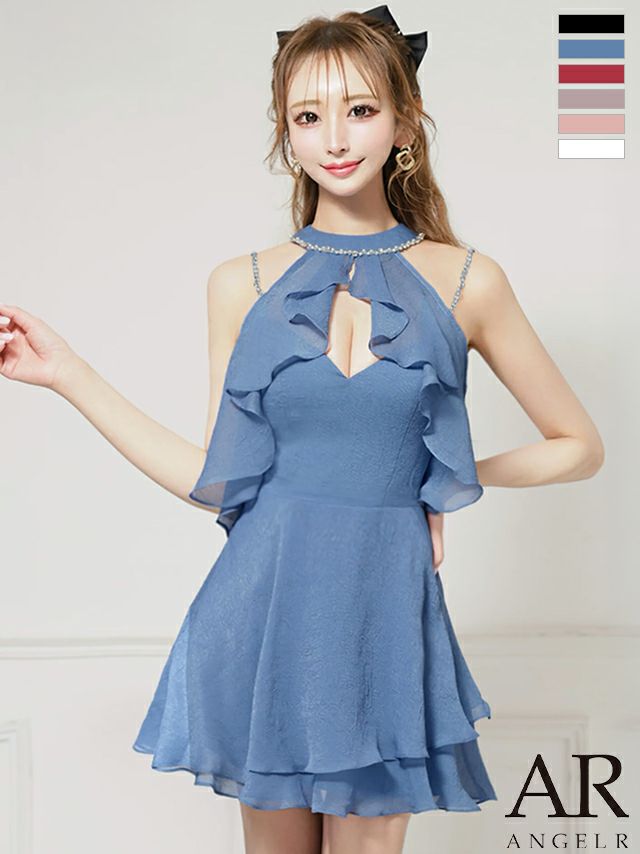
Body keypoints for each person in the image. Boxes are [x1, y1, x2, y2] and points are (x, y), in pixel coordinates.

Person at [0, 6, 605, 854]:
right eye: (308, 116)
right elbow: (214, 478)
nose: (336, 138)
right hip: (262, 610)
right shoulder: (241, 283)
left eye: (360, 109)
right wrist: (68, 374)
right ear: (285, 134)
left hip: (383, 614)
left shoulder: (468, 281)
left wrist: (440, 481)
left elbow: (579, 446)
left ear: (404, 122)